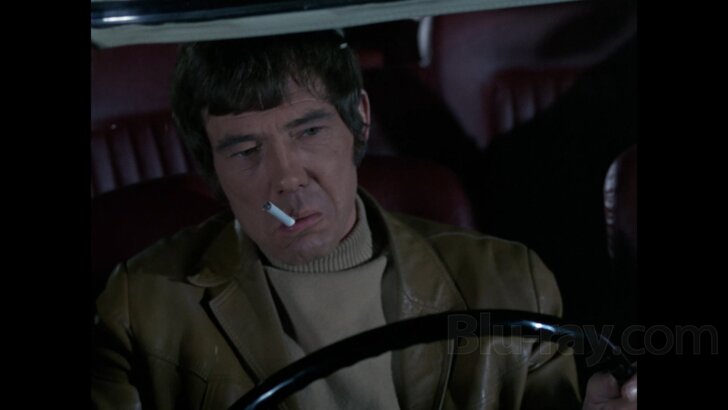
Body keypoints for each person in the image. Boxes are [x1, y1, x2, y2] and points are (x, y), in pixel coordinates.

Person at [91, 31, 636, 409]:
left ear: (360, 121)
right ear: (209, 164)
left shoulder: (511, 280)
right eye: (245, 150)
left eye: (309, 132)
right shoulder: (140, 308)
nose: (287, 178)